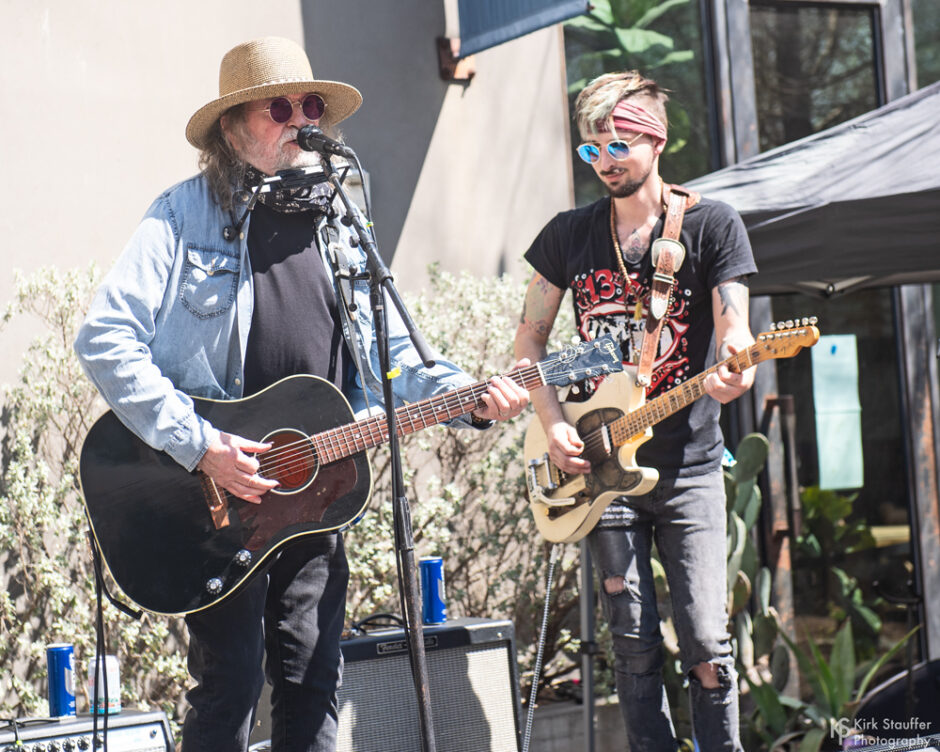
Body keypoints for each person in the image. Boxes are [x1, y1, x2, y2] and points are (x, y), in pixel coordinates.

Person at [74, 36, 528, 752]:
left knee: (314, 680)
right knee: (230, 684)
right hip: (215, 496)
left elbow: (391, 351)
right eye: (278, 108)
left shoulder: (339, 223)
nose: (300, 120)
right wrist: (200, 445)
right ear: (232, 128)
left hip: (316, 490)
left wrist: (464, 395)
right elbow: (104, 338)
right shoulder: (183, 214)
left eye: (309, 106)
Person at [514, 70, 757, 751]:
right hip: (599, 466)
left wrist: (736, 363)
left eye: (619, 144)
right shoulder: (568, 234)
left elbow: (734, 325)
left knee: (706, 642)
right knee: (632, 644)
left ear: (658, 141)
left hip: (689, 469)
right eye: (593, 149)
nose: (605, 160)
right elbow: (530, 341)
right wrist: (553, 424)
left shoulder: (711, 225)